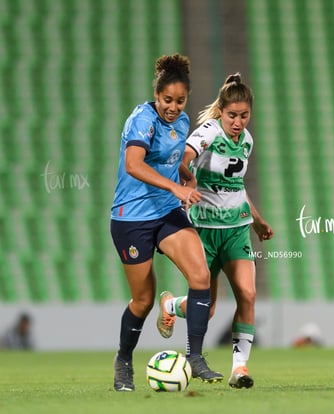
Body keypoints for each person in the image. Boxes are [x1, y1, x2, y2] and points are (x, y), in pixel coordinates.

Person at [110, 53, 223, 392]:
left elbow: (170, 162)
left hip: (166, 213)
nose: (173, 107)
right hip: (131, 218)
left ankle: (196, 358)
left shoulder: (183, 121)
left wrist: (184, 175)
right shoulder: (142, 119)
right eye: (167, 100)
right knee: (142, 300)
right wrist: (175, 186)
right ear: (156, 95)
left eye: (180, 100)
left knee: (201, 276)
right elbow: (134, 164)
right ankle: (124, 361)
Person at [156, 73, 274, 389]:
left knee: (248, 295)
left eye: (244, 115)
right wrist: (187, 179)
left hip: (237, 229)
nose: (238, 122)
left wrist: (258, 220)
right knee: (205, 311)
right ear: (221, 111)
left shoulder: (246, 140)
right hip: (204, 230)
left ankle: (240, 369)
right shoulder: (207, 132)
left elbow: (236, 185)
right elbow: (183, 156)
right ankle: (169, 305)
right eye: (232, 115)